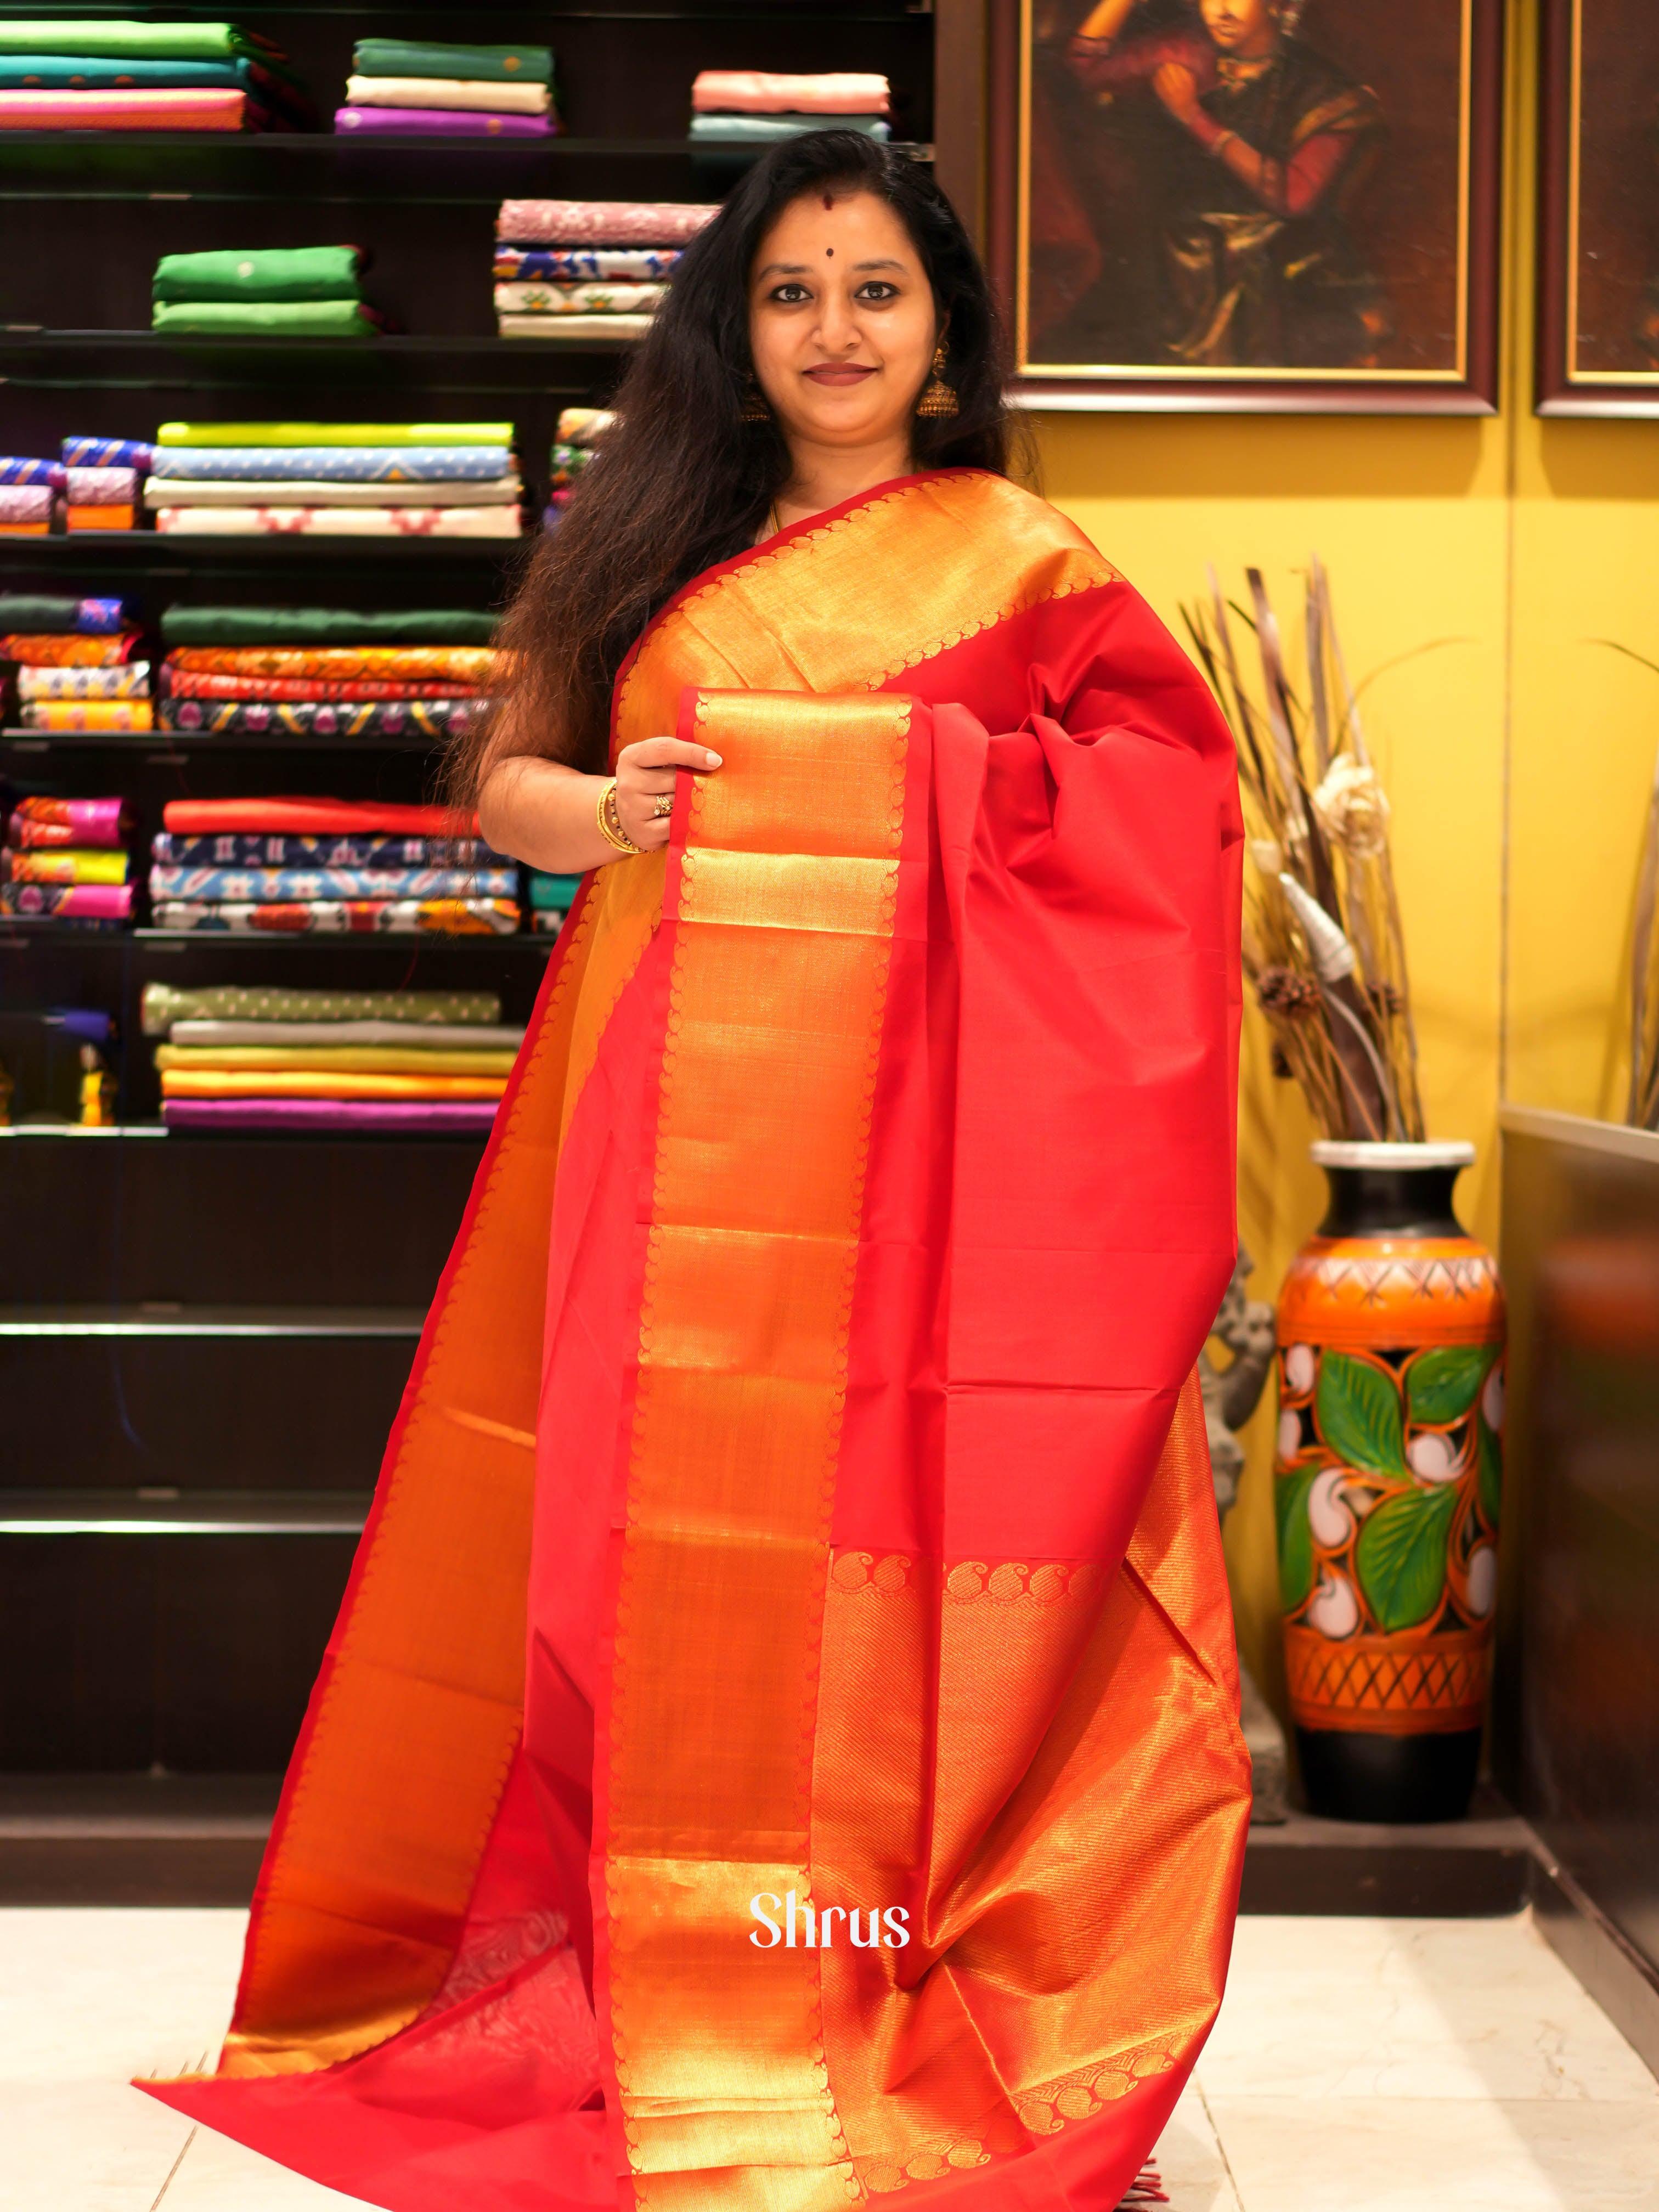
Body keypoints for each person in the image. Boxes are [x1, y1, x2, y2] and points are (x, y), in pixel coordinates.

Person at [143, 131, 1250, 2212]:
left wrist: (944, 777)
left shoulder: (1018, 561)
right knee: (629, 1563)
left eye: (874, 289)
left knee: (897, 1567)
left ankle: (876, 1977)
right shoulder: (650, 533)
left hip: (933, 1162)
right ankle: (671, 1967)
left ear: (939, 333)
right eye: (789, 291)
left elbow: (1158, 815)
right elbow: (506, 787)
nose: (833, 327)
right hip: (665, 1139)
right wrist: (613, 806)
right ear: (735, 337)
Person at [1039, 0, 1388, 368]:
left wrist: (1194, 118)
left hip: (1283, 267)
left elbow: (1293, 196)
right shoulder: (1185, 52)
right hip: (1181, 263)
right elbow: (1082, 66)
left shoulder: (1324, 90)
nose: (1219, 10)